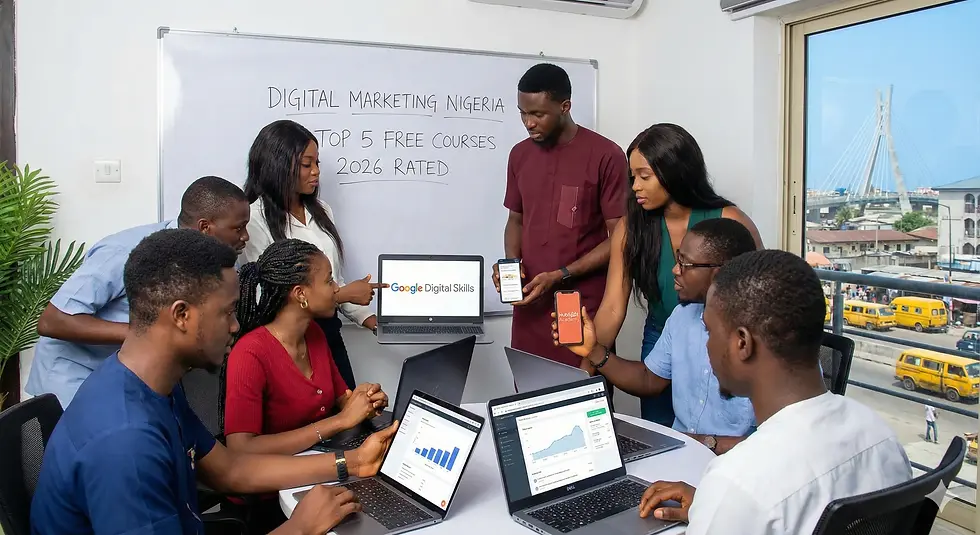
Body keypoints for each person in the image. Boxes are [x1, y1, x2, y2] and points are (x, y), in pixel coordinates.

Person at [31, 229, 398, 535]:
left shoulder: (152, 385)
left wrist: (352, 462)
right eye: (226, 313)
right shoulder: (126, 442)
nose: (236, 326)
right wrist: (297, 529)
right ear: (181, 316)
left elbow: (230, 469)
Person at [638, 250, 911, 535]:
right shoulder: (881, 436)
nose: (707, 346)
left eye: (709, 332)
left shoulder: (737, 482)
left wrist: (723, 506)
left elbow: (754, 497)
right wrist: (713, 510)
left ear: (742, 343)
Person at [26, 175, 251, 408]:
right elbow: (53, 321)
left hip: (126, 376)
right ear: (205, 227)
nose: (245, 236)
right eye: (238, 228)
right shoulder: (124, 251)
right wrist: (148, 335)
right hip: (74, 377)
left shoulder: (221, 263)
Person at [591, 123, 763, 426]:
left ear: (675, 171)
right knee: (663, 429)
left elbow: (760, 295)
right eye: (633, 177)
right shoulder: (632, 228)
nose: (635, 187)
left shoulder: (729, 221)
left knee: (718, 424)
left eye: (645, 176)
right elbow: (613, 307)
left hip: (718, 335)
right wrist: (585, 366)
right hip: (661, 336)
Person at [225, 238, 390, 532]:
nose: (336, 290)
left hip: (323, 471)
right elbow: (242, 450)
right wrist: (339, 421)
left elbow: (342, 398)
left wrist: (364, 401)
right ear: (300, 294)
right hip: (271, 496)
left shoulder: (314, 333)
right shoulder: (250, 354)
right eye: (328, 282)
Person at [553, 218, 757, 454]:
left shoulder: (767, 335)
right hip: (680, 456)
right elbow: (650, 380)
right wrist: (592, 350)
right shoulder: (682, 316)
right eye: (677, 259)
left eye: (685, 263)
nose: (675, 270)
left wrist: (707, 444)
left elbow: (782, 439)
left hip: (739, 465)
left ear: (720, 273)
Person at [492, 63, 628, 367]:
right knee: (527, 399)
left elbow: (621, 238)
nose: (528, 122)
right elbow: (516, 220)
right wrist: (510, 266)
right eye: (523, 113)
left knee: (579, 397)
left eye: (538, 114)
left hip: (579, 306)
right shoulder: (519, 155)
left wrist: (561, 274)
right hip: (529, 306)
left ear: (565, 107)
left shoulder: (606, 156)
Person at [243, 119, 384, 389]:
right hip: (287, 341)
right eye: (307, 165)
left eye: (317, 163)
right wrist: (342, 294)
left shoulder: (321, 211)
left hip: (328, 334)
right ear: (278, 165)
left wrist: (369, 319)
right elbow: (268, 295)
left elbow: (333, 278)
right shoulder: (253, 219)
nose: (316, 172)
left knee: (349, 415)